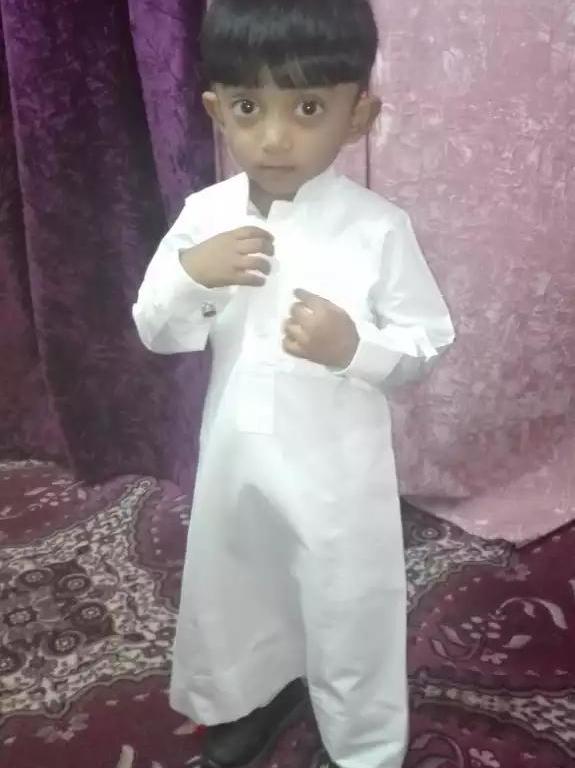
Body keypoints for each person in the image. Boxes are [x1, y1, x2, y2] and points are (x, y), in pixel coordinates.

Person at [133, 1, 455, 766]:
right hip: (236, 457)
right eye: (249, 107)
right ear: (216, 110)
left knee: (347, 602)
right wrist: (189, 276)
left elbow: (425, 343)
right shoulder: (203, 217)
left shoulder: (377, 228)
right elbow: (156, 329)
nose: (274, 138)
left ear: (357, 114)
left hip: (336, 470)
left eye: (307, 107)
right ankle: (250, 695)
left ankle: (363, 744)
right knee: (237, 585)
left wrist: (354, 348)